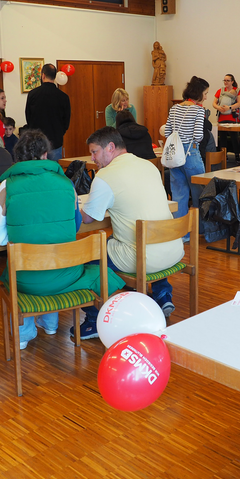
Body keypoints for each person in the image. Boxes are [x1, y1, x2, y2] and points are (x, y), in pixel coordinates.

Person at [0, 130, 125, 349]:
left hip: (27, 279)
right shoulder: (66, 183)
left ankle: (24, 334)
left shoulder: (8, 185)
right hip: (66, 276)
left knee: (22, 272)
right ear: (45, 155)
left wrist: (15, 236)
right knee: (53, 263)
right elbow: (75, 224)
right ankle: (50, 323)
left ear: (19, 156)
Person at [76, 126, 184, 339]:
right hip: (173, 249)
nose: (92, 157)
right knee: (127, 239)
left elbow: (89, 218)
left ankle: (93, 320)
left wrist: (74, 205)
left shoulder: (105, 176)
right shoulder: (148, 165)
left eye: (94, 151)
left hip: (143, 257)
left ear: (111, 147)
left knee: (86, 256)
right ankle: (162, 296)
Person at [165, 76, 208, 228]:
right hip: (191, 154)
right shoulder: (198, 110)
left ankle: (181, 232)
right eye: (205, 93)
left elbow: (166, 132)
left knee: (178, 195)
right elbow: (198, 136)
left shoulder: (174, 108)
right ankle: (200, 228)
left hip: (175, 155)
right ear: (199, 93)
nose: (206, 97)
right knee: (200, 194)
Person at [25, 63, 71, 161]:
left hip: (37, 140)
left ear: (43, 75)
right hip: (56, 140)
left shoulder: (33, 94)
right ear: (55, 77)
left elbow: (28, 117)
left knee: (38, 170)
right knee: (53, 171)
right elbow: (66, 121)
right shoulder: (63, 97)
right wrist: (59, 132)